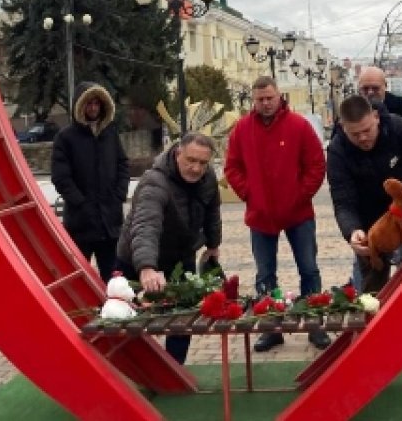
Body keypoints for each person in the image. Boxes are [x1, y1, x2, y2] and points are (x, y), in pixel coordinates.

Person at [327, 93, 402, 374]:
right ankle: (372, 346)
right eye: (355, 134)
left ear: (377, 118)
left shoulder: (398, 126)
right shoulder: (336, 151)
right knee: (371, 285)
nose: (364, 138)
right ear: (343, 128)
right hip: (370, 223)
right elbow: (343, 201)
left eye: (368, 130)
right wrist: (352, 232)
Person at [224, 76, 328, 352]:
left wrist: (300, 194)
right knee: (265, 274)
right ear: (253, 100)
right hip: (260, 215)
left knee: (309, 269)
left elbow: (316, 164)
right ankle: (272, 328)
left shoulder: (299, 126)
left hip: (298, 213)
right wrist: (249, 193)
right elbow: (232, 167)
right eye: (260, 99)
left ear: (279, 96)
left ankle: (315, 325)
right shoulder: (242, 129)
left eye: (269, 97)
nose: (265, 103)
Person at [116, 133, 222, 364]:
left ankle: (175, 368)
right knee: (127, 318)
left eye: (203, 163)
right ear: (177, 153)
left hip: (181, 254)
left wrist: (213, 244)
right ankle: (136, 369)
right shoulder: (154, 181)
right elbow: (146, 225)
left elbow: (212, 210)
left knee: (182, 317)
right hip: (136, 257)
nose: (196, 168)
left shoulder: (208, 178)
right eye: (191, 160)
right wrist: (146, 266)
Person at [51, 82, 131, 284]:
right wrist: (80, 202)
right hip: (81, 224)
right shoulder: (65, 137)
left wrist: (119, 194)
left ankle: (114, 313)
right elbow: (61, 177)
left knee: (114, 279)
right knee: (78, 278)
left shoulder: (110, 133)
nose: (93, 108)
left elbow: (122, 164)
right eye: (89, 103)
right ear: (80, 105)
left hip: (110, 223)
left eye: (97, 103)